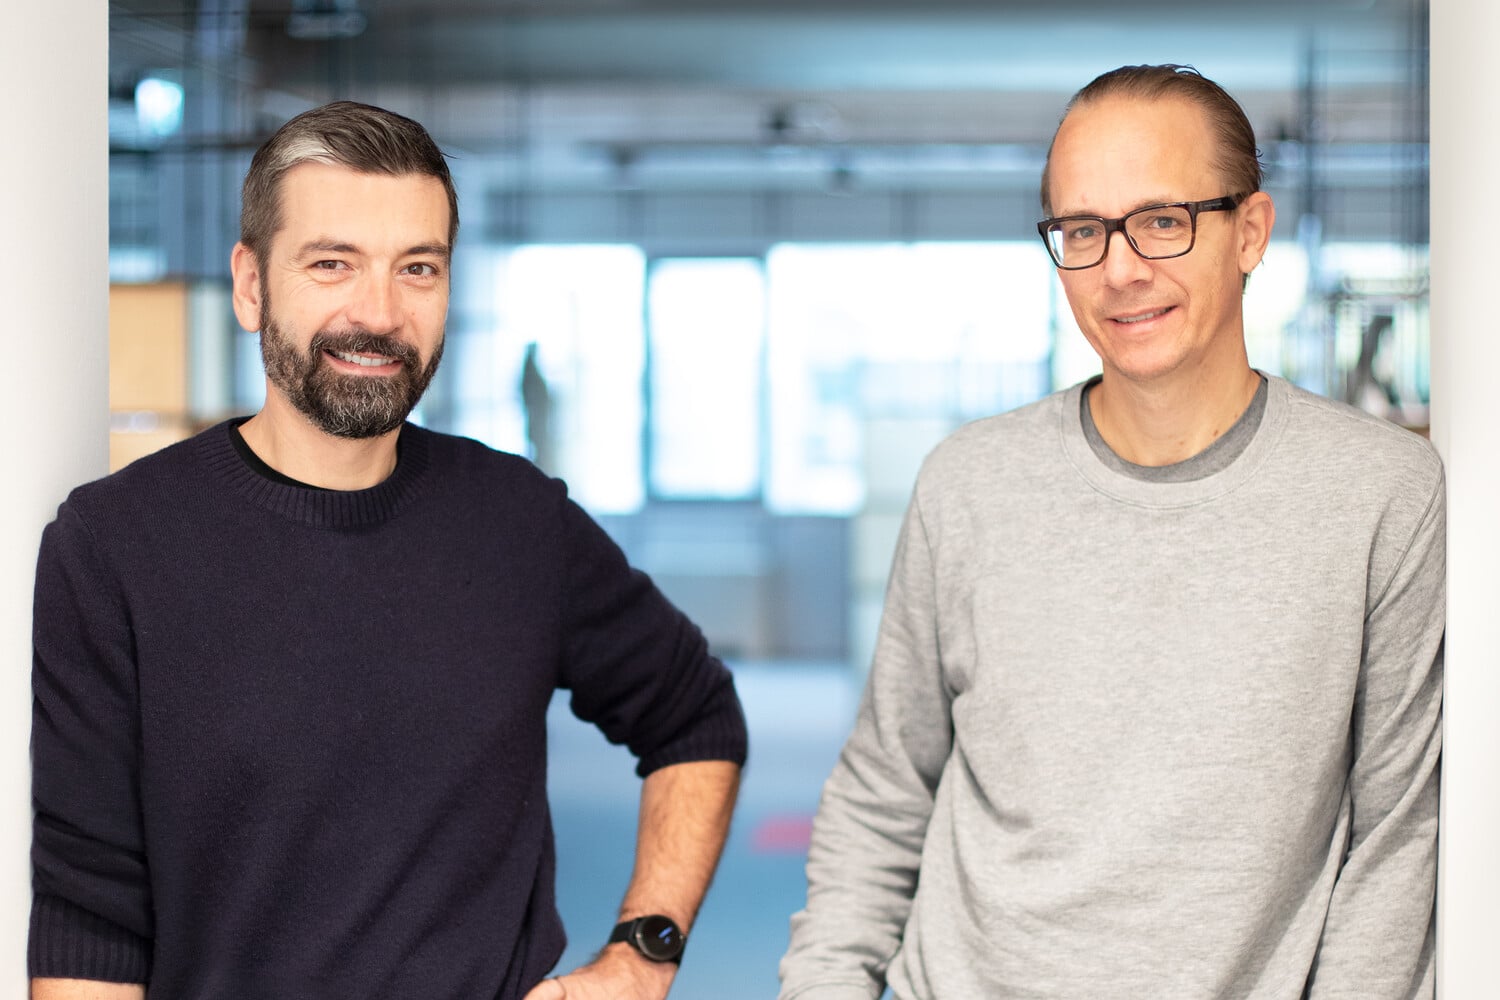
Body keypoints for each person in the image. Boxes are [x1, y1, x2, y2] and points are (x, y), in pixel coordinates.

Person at [29, 101, 746, 1000]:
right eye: (332, 264)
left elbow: (696, 716)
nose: (378, 312)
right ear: (251, 285)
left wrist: (643, 955)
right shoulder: (114, 545)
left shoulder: (519, 520)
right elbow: (88, 916)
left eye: (418, 268)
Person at [779, 64, 1443, 999]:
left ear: (1249, 232)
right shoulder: (969, 484)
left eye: (1163, 220)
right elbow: (885, 788)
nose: (1121, 270)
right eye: (1082, 231)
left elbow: (1395, 837)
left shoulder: (1382, 493)